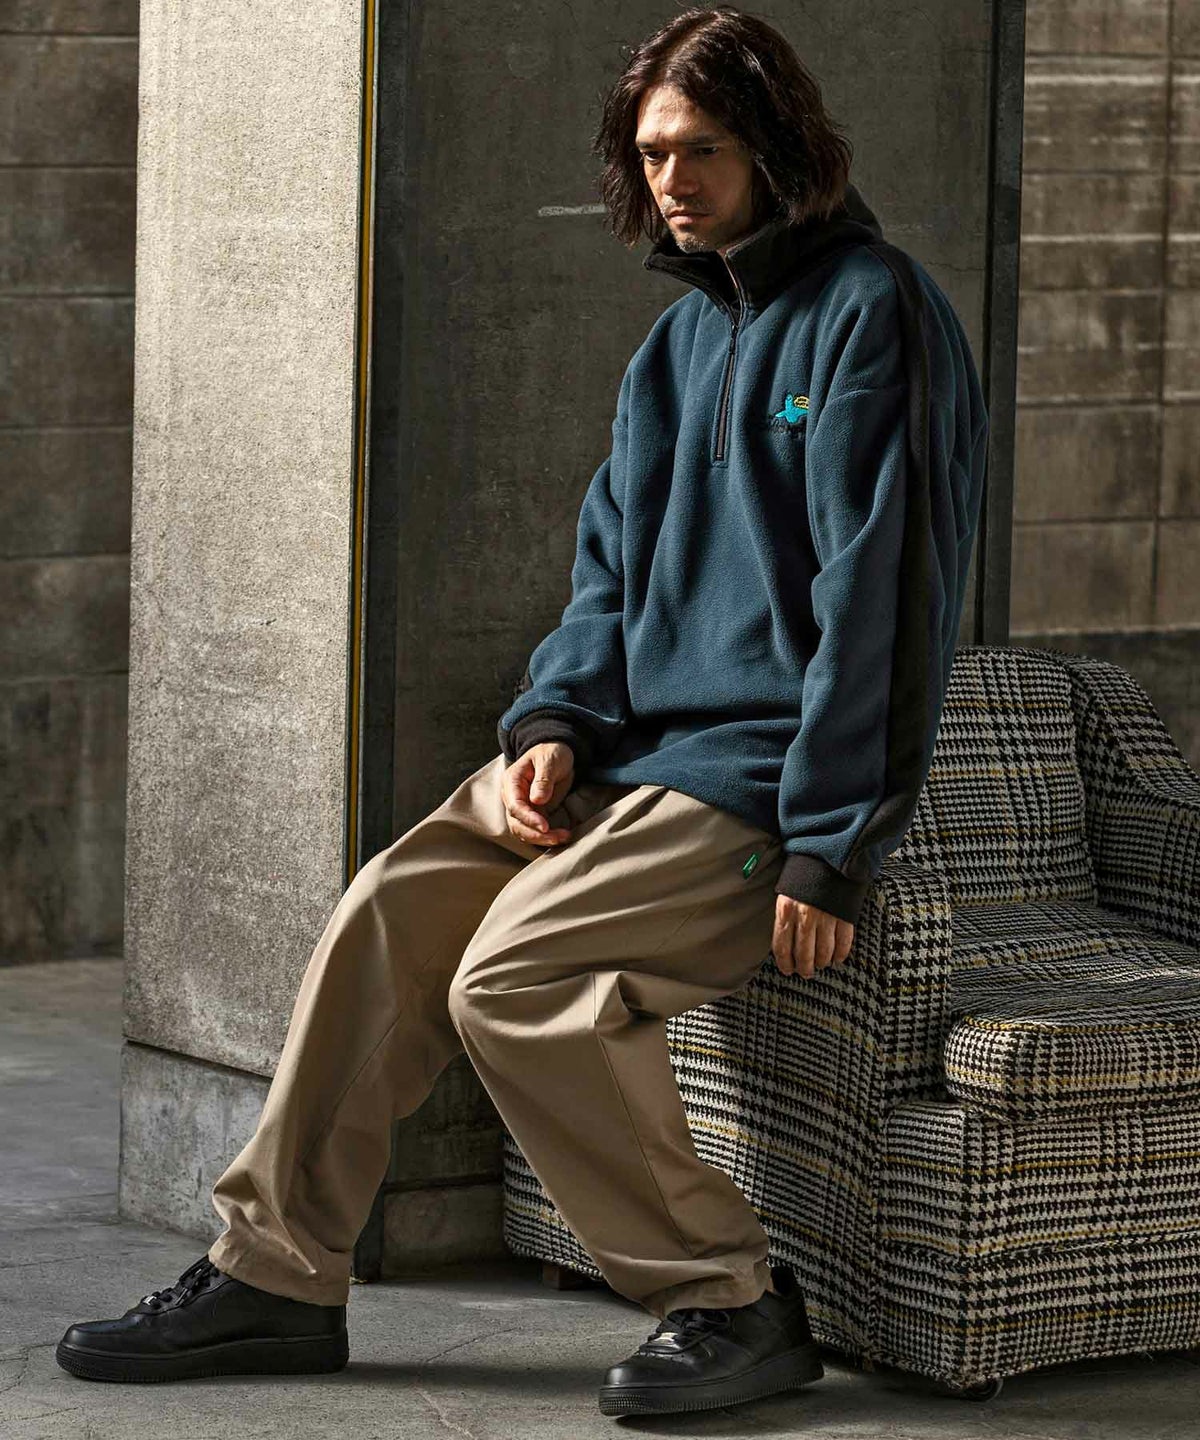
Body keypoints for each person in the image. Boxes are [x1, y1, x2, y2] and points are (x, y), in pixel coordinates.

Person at [55, 3, 987, 1418]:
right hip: (625, 755)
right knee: (390, 906)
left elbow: (891, 599)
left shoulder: (876, 311)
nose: (674, 181)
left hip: (751, 777)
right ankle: (275, 1272)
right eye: (653, 153)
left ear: (778, 146)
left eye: (704, 149)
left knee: (513, 980)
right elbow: (607, 576)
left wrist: (832, 843)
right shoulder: (674, 349)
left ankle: (729, 1298)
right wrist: (552, 725)